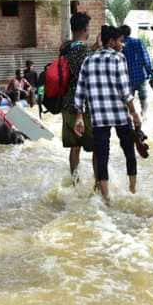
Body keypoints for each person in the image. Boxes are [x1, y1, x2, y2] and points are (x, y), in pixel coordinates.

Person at [74, 25, 142, 202]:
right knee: (129, 151)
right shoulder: (118, 58)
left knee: (102, 155)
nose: (122, 44)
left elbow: (80, 91)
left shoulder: (88, 60)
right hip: (119, 114)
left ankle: (106, 198)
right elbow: (124, 89)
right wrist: (134, 112)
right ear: (111, 41)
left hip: (99, 117)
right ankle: (133, 190)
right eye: (120, 41)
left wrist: (79, 118)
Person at [62, 12, 97, 180]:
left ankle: (75, 181)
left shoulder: (65, 47)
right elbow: (86, 80)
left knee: (74, 147)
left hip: (67, 104)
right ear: (85, 29)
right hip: (84, 108)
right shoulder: (84, 51)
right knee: (96, 147)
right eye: (89, 27)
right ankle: (98, 185)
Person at [120, 25, 153, 120]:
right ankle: (144, 113)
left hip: (127, 78)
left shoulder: (119, 45)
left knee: (128, 98)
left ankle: (130, 116)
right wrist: (150, 72)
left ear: (121, 34)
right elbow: (145, 57)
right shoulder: (137, 42)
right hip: (140, 75)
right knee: (143, 96)